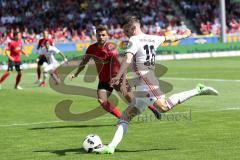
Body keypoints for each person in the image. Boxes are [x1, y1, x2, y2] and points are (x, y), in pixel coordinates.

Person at [94, 16, 219, 154]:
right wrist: (185, 35)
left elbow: (128, 59)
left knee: (163, 107)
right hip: (144, 81)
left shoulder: (134, 40)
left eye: (126, 31)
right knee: (126, 116)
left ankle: (197, 90)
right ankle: (111, 147)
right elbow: (171, 39)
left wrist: (117, 76)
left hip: (146, 79)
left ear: (133, 28)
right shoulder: (154, 37)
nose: (125, 34)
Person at [70, 25, 160, 119]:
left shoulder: (111, 49)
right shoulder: (91, 48)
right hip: (104, 80)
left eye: (103, 35)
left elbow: (123, 66)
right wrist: (76, 73)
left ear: (107, 36)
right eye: (99, 35)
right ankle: (121, 118)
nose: (101, 37)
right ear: (95, 36)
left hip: (117, 79)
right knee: (102, 100)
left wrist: (121, 80)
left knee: (133, 101)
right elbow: (84, 62)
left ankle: (153, 108)